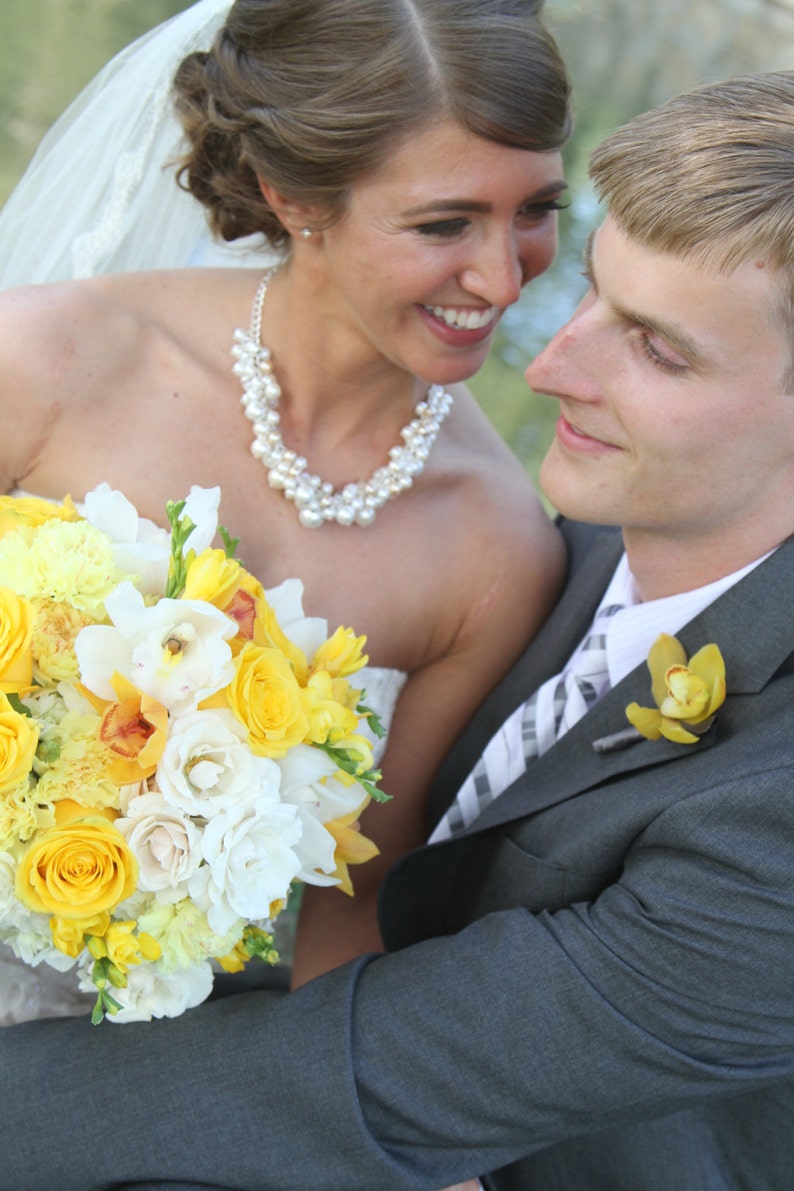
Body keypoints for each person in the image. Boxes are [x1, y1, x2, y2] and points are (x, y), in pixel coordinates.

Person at [4, 64, 794, 1191]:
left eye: (658, 351)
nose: (552, 364)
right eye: (588, 290)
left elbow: (361, 1078)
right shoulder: (563, 560)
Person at [0, 0, 570, 1005]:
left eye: (532, 210)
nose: (500, 276)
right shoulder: (43, 364)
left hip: (134, 1065)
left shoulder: (495, 545)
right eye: (444, 223)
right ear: (292, 196)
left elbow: (350, 907)